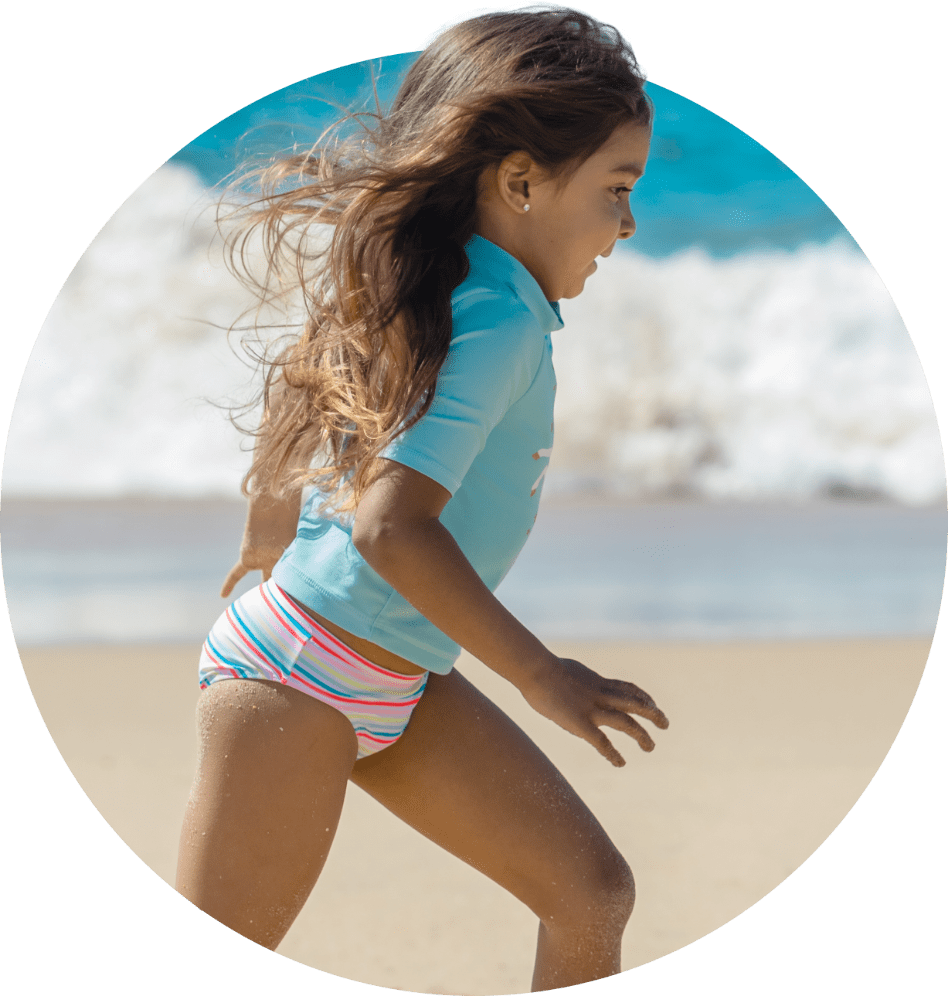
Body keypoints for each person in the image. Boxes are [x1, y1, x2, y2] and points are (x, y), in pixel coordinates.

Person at [175, 5, 669, 989]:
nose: (628, 222)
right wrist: (542, 677)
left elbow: (304, 369)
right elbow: (393, 526)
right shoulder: (496, 320)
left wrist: (268, 529)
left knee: (591, 890)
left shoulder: (457, 283)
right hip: (300, 684)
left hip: (389, 676)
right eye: (616, 190)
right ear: (521, 181)